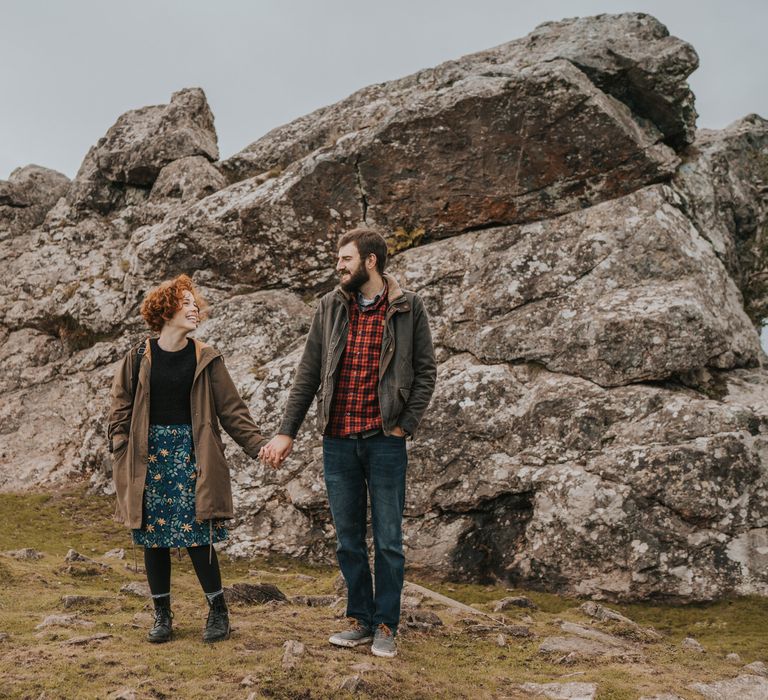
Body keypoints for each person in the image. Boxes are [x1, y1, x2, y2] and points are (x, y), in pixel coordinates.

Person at [260, 228, 437, 658]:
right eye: (339, 259)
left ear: (370, 261)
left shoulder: (409, 308)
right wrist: (287, 431)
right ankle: (360, 618)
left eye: (345, 259)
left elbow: (426, 373)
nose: (338, 266)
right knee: (348, 539)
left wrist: (404, 426)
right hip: (337, 441)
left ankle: (387, 626)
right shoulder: (330, 306)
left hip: (384, 442)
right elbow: (308, 373)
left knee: (389, 540)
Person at [108, 274, 265, 644]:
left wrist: (258, 446)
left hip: (193, 456)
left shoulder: (207, 358)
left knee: (198, 534)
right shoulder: (136, 357)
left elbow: (233, 411)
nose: (195, 309)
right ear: (166, 310)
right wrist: (120, 448)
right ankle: (161, 615)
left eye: (196, 304)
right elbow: (119, 410)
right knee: (153, 537)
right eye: (187, 303)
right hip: (148, 458)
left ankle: (218, 612)